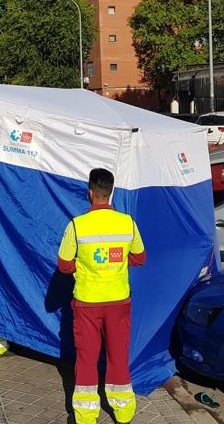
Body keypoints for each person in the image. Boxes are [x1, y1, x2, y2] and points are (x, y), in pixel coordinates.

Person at [57, 168, 146, 424]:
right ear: (112, 193)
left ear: (89, 193)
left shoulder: (77, 225)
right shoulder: (127, 223)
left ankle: (85, 416)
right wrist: (114, 262)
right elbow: (140, 258)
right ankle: (124, 411)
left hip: (87, 303)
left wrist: (85, 266)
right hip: (119, 301)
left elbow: (64, 265)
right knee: (118, 356)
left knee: (86, 359)